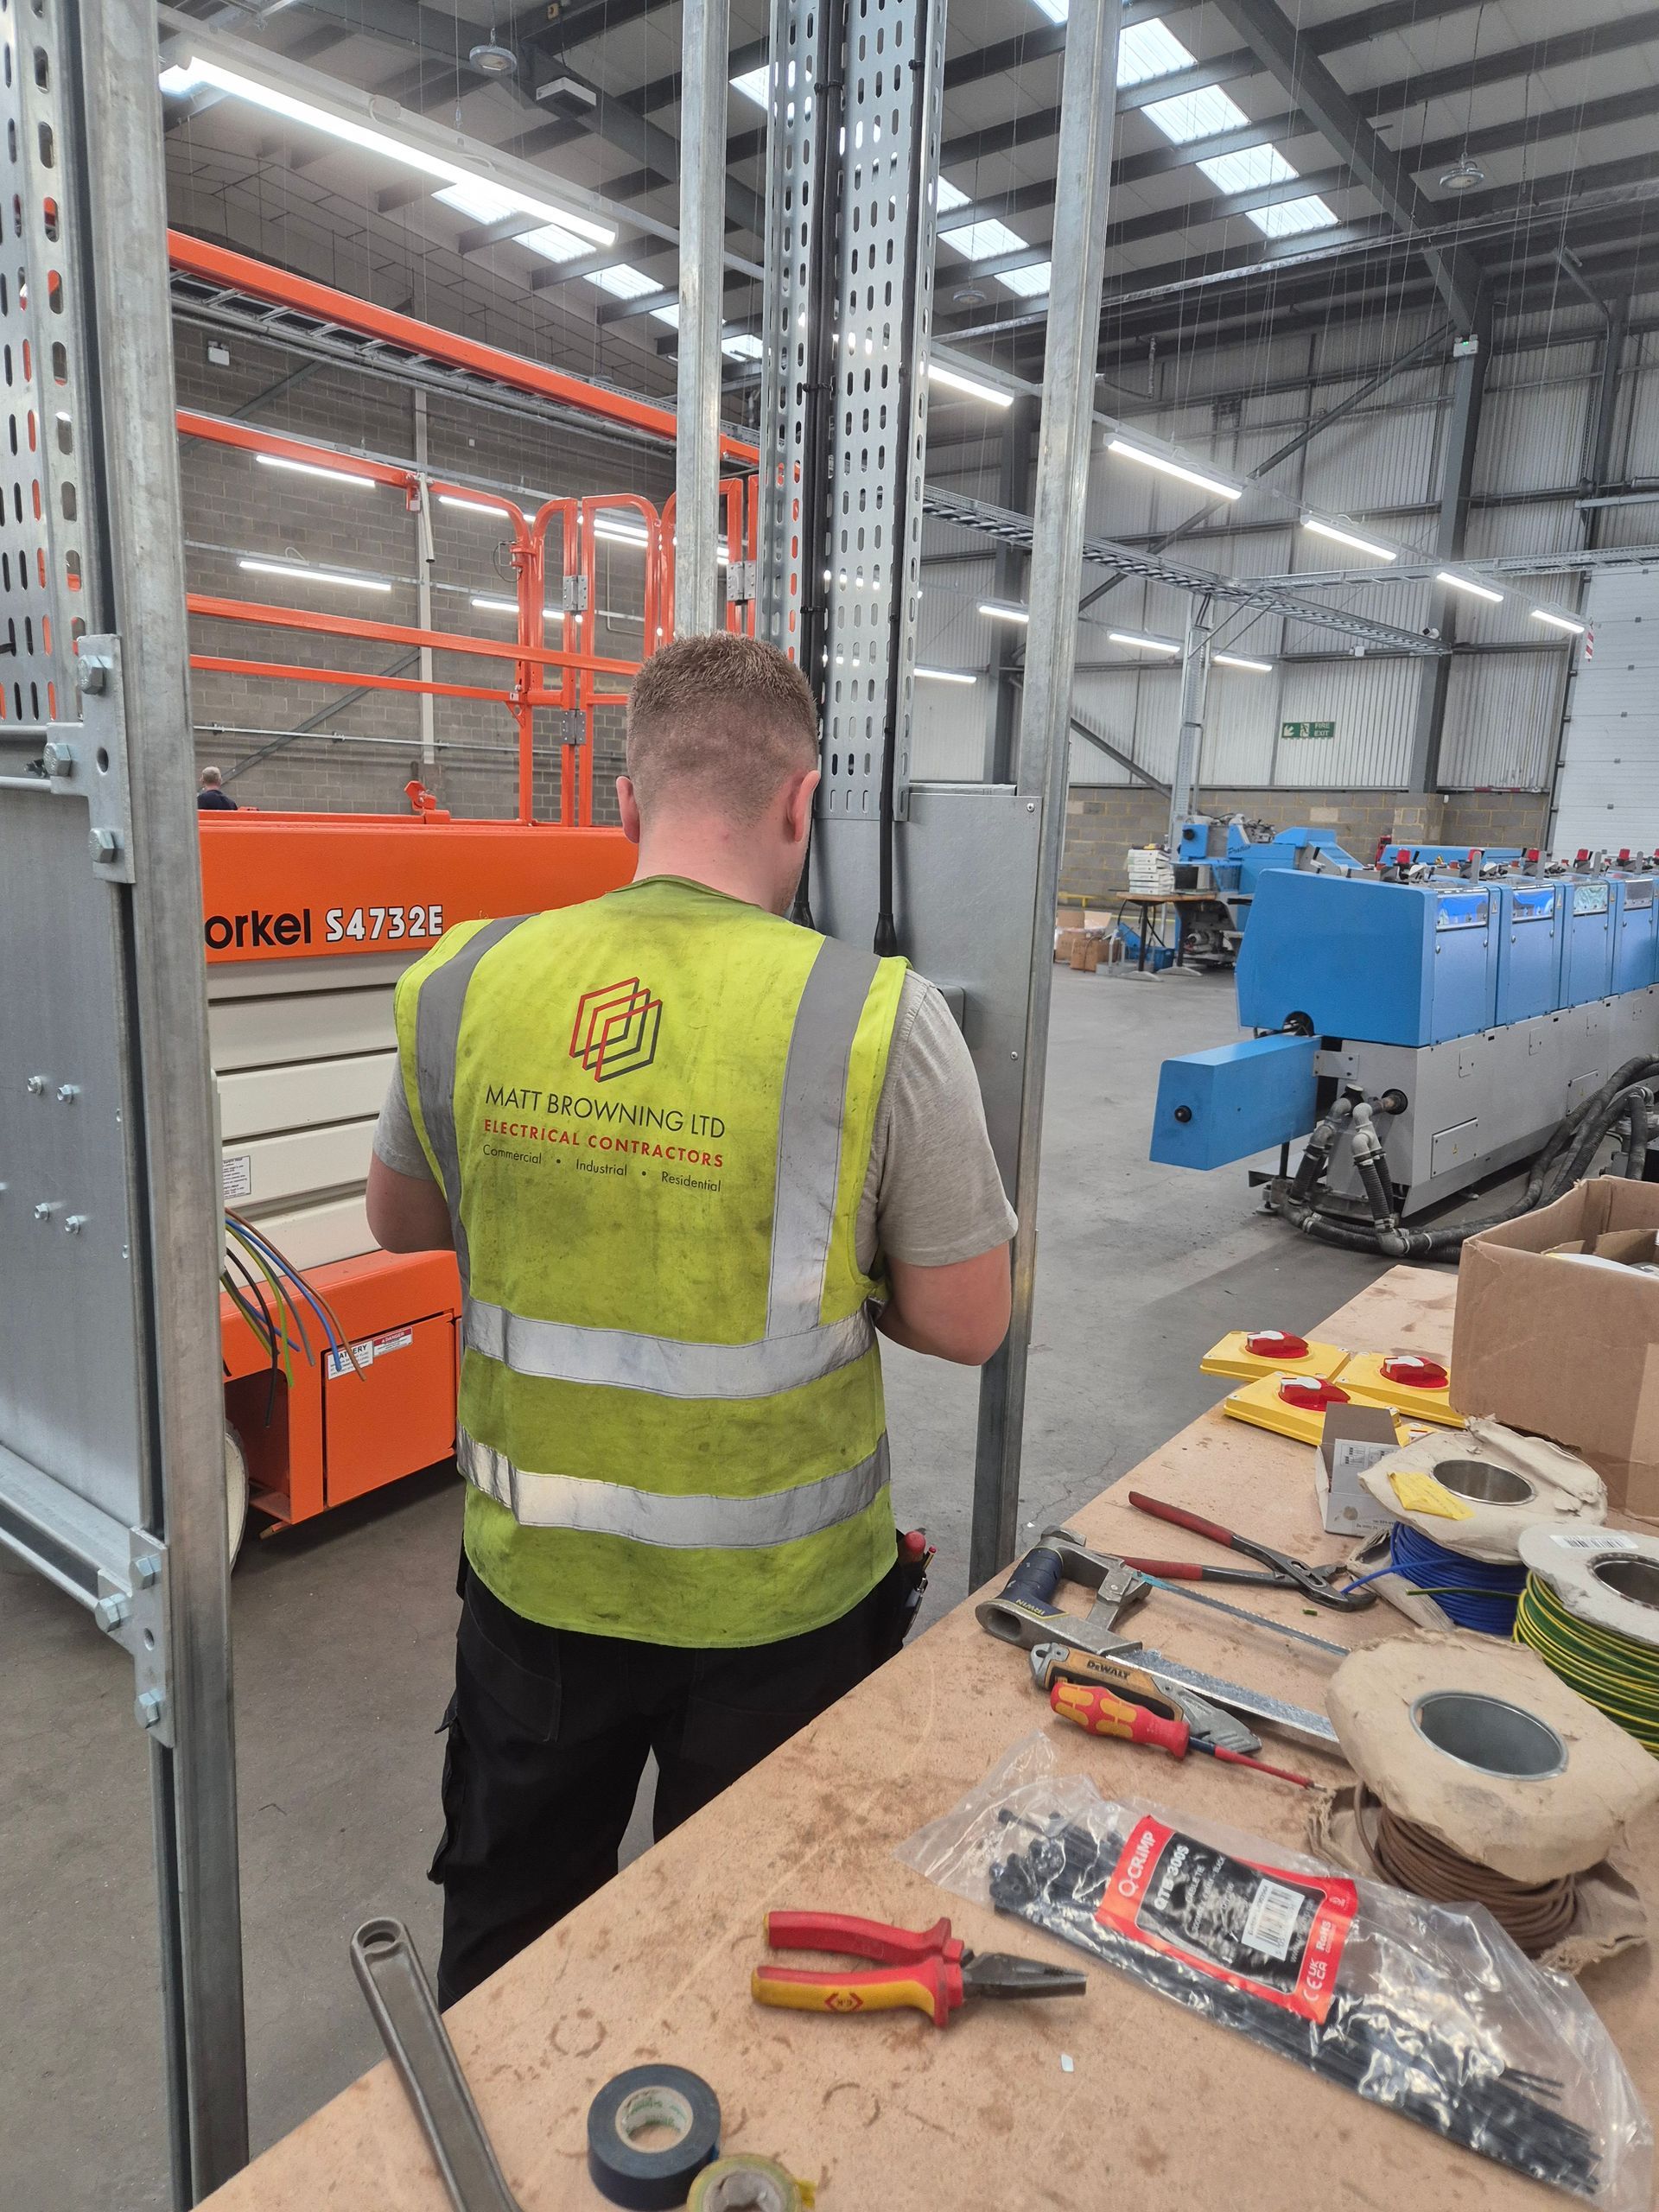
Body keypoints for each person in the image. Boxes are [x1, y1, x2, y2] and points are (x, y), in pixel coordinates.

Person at [366, 632, 1015, 2005]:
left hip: (538, 1596)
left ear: (626, 803)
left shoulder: (464, 983)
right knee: (751, 1971)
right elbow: (969, 1321)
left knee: (512, 1952)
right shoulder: (872, 1015)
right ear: (801, 803)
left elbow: (406, 1224)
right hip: (779, 1620)